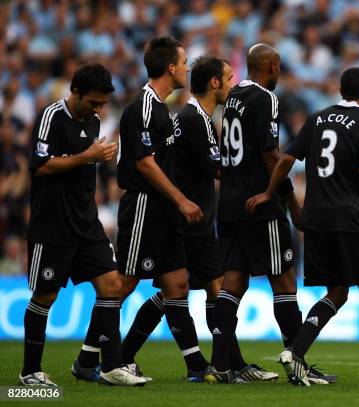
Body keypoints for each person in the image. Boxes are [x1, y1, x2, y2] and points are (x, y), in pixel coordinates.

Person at [118, 56, 275, 382]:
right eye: (230, 79)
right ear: (215, 83)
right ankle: (229, 365)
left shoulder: (196, 117)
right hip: (191, 220)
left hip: (195, 218)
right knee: (207, 291)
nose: (233, 85)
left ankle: (209, 364)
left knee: (184, 292)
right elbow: (219, 169)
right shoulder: (192, 120)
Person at [247, 67, 359, 387]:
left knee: (337, 292)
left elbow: (286, 160)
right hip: (352, 219)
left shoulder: (317, 117)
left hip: (316, 220)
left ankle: (294, 352)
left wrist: (268, 192)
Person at [205, 43, 333, 385]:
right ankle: (297, 362)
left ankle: (220, 365)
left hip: (230, 205)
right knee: (285, 281)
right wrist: (290, 200)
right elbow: (270, 155)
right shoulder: (265, 98)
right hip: (260, 206)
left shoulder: (232, 98)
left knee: (233, 282)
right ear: (273, 66)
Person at [21, 63, 146, 386]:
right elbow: (41, 166)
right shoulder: (51, 117)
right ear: (75, 92)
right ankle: (30, 372)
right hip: (52, 226)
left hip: (86, 225)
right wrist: (86, 156)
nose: (99, 109)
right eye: (93, 102)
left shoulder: (92, 122)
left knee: (112, 286)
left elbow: (88, 163)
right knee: (44, 297)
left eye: (103, 104)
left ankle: (110, 366)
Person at [113, 36, 209, 382]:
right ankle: (95, 359)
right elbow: (145, 165)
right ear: (171, 67)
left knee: (177, 284)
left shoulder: (160, 107)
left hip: (164, 207)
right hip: (144, 204)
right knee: (123, 283)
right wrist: (181, 199)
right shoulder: (142, 106)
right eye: (184, 62)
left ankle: (196, 365)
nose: (187, 68)